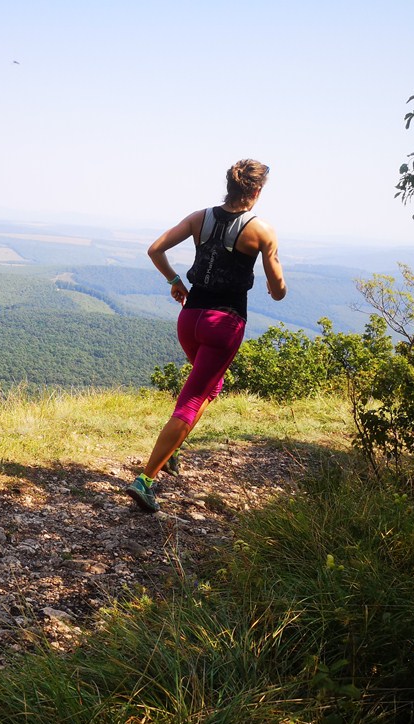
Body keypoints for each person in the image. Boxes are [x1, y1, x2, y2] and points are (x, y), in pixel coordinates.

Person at [125, 158, 286, 513]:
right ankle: (146, 479)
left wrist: (174, 281)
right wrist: (278, 288)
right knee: (192, 401)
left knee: (211, 386)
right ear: (256, 191)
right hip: (224, 324)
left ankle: (171, 452)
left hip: (190, 318)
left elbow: (155, 249)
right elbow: (278, 289)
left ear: (229, 186)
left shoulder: (200, 217)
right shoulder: (261, 231)